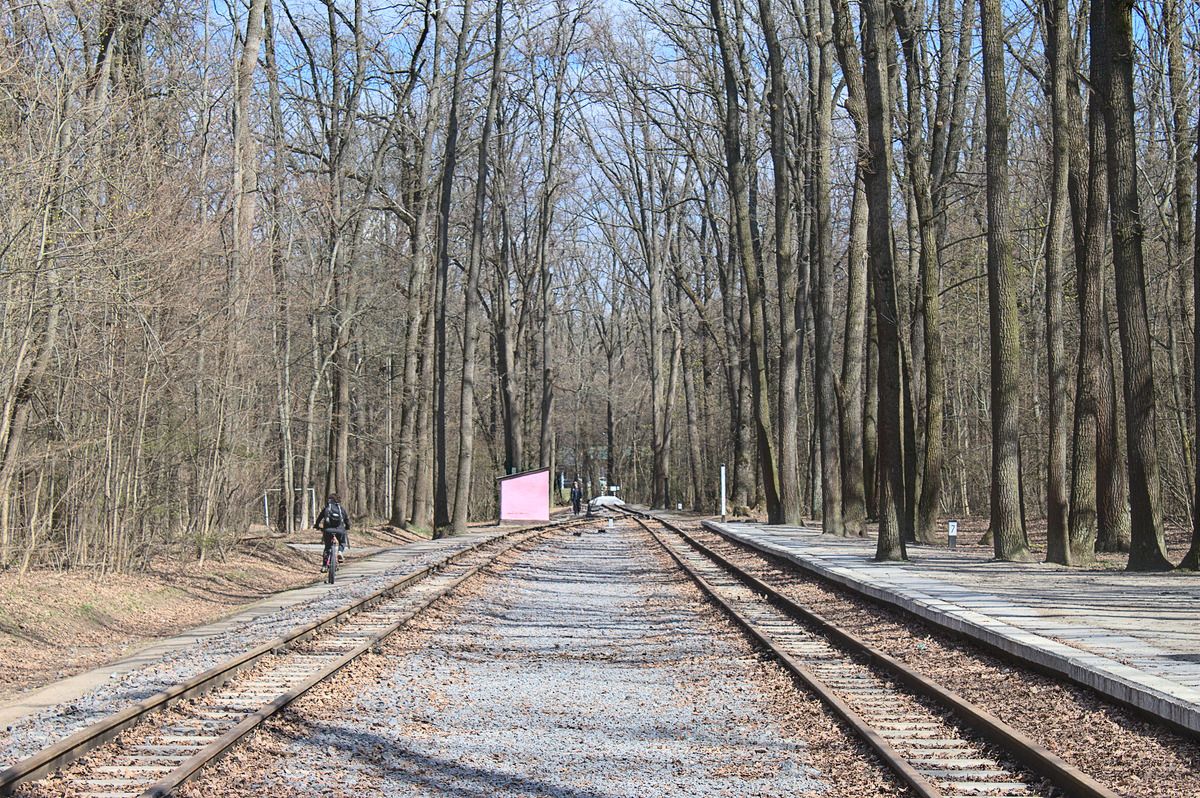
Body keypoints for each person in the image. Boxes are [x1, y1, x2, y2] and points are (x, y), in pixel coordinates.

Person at [315, 494, 351, 571]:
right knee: (342, 542)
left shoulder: (327, 509)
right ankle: (340, 552)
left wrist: (316, 525)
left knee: (327, 547)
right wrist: (347, 527)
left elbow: (319, 518)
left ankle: (324, 566)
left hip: (328, 530)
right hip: (339, 530)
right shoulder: (341, 509)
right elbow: (347, 520)